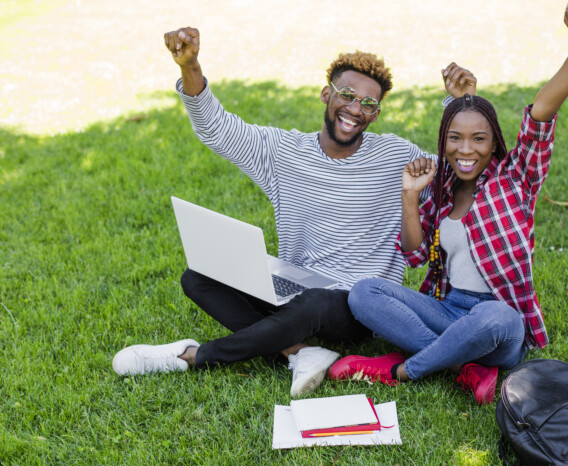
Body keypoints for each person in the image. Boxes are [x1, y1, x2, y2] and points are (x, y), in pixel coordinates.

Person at [111, 26, 478, 397]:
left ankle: (192, 356)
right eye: (347, 95)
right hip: (295, 282)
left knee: (313, 304)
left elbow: (461, 172)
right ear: (326, 94)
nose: (355, 109)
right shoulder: (283, 151)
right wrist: (190, 66)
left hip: (355, 301)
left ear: (376, 114)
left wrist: (461, 104)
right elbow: (217, 130)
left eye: (368, 104)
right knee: (198, 276)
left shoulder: (394, 155)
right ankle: (299, 352)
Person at [329, 2, 568, 404]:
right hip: (448, 309)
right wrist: (409, 194)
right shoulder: (440, 188)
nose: (465, 149)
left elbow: (542, 112)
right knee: (364, 293)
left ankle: (404, 368)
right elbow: (415, 253)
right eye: (455, 138)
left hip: (498, 321)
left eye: (478, 139)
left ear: (494, 144)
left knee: (497, 318)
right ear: (443, 142)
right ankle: (462, 366)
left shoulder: (516, 179)